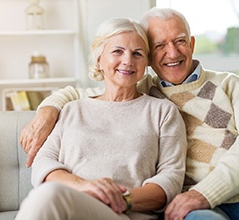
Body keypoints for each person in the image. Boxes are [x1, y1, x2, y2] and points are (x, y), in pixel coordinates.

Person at [20, 7, 239, 220]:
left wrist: (201, 194)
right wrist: (48, 109)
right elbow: (94, 97)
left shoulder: (228, 85)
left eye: (179, 41)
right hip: (205, 209)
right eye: (159, 46)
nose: (172, 52)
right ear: (152, 57)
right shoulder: (139, 91)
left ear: (191, 44)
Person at [15, 17, 187, 220]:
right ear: (99, 59)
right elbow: (44, 162)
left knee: (48, 196)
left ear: (146, 63)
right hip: (69, 203)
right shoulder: (72, 109)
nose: (128, 61)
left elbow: (171, 178)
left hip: (123, 213)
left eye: (137, 54)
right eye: (117, 51)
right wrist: (85, 187)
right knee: (48, 195)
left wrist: (120, 199)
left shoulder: (163, 112)